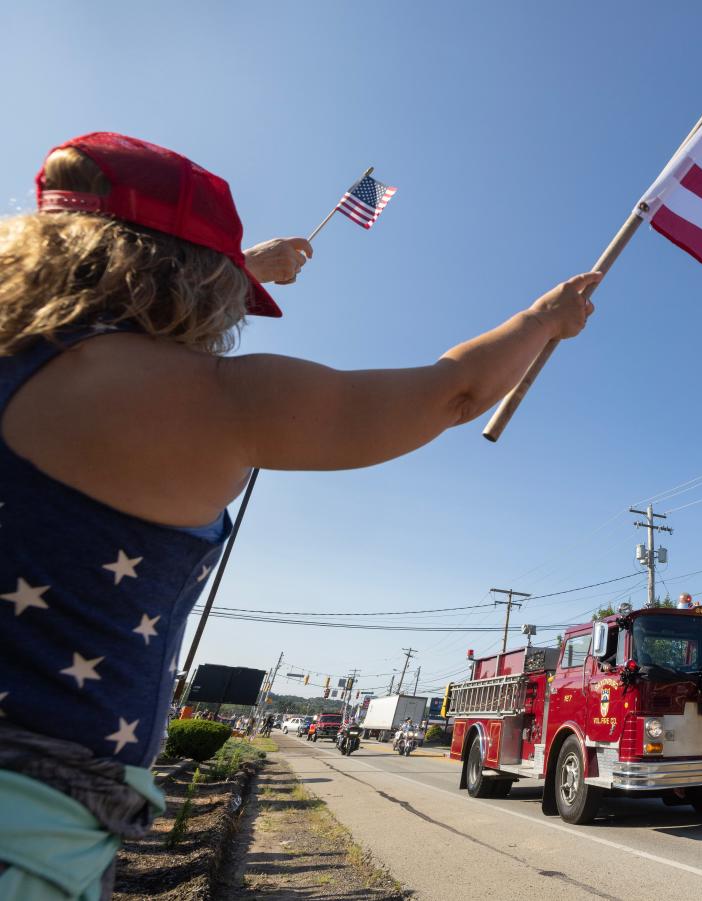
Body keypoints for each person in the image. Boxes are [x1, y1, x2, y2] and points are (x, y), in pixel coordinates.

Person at [0, 132, 598, 900]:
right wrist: (543, 317)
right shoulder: (211, 397)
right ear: (195, 278)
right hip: (33, 826)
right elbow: (454, 391)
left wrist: (244, 261)